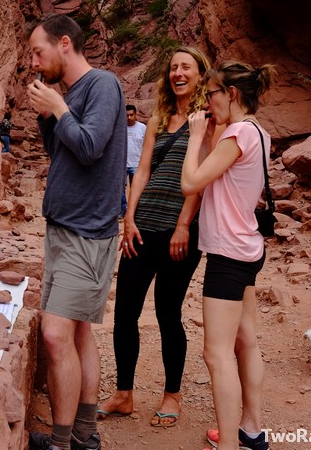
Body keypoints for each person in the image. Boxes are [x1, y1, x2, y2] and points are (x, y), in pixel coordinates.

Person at [26, 14, 126, 450]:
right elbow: (61, 151)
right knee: (79, 332)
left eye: (37, 51)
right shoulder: (72, 93)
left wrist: (58, 109)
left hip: (88, 234)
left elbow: (89, 148)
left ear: (64, 44)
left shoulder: (102, 84)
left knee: (55, 335)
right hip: (67, 230)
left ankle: (63, 442)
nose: (33, 62)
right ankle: (85, 434)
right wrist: (49, 117)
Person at [97, 47, 209, 428]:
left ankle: (172, 395)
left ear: (200, 75)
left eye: (186, 67)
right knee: (124, 312)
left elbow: (202, 178)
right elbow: (142, 170)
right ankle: (124, 394)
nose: (178, 73)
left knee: (167, 314)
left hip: (181, 232)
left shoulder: (208, 120)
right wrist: (128, 217)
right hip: (143, 227)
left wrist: (183, 225)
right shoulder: (159, 118)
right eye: (174, 67)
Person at [180, 60, 275, 450]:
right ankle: (251, 429)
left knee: (216, 354)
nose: (208, 102)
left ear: (231, 94)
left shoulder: (237, 134)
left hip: (229, 256)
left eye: (212, 94)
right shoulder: (259, 133)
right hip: (249, 249)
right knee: (245, 341)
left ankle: (229, 445)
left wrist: (193, 136)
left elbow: (190, 183)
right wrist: (210, 135)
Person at [119, 104, 147, 216]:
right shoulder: (120, 129)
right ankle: (122, 210)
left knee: (137, 188)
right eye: (126, 115)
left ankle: (136, 210)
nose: (129, 117)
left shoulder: (142, 128)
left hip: (137, 163)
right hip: (122, 164)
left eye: (131, 115)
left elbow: (146, 145)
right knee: (121, 188)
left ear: (136, 115)